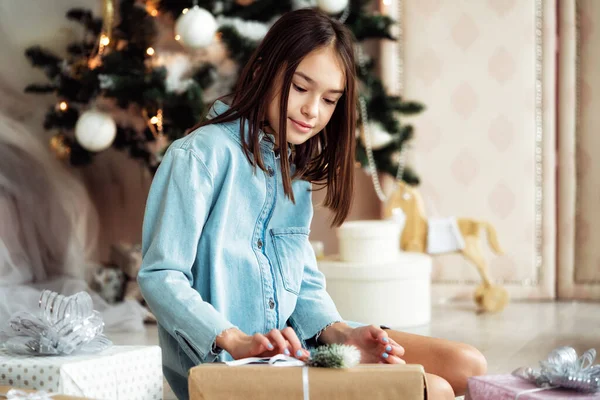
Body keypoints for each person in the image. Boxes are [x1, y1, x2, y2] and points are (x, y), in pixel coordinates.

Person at [138, 8, 486, 400]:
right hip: (229, 364)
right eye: (301, 88)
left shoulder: (290, 171)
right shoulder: (198, 156)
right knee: (432, 390)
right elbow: (160, 276)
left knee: (468, 365)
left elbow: (301, 285)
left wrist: (342, 334)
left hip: (296, 350)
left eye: (329, 99)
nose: (312, 111)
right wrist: (233, 339)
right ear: (262, 72)